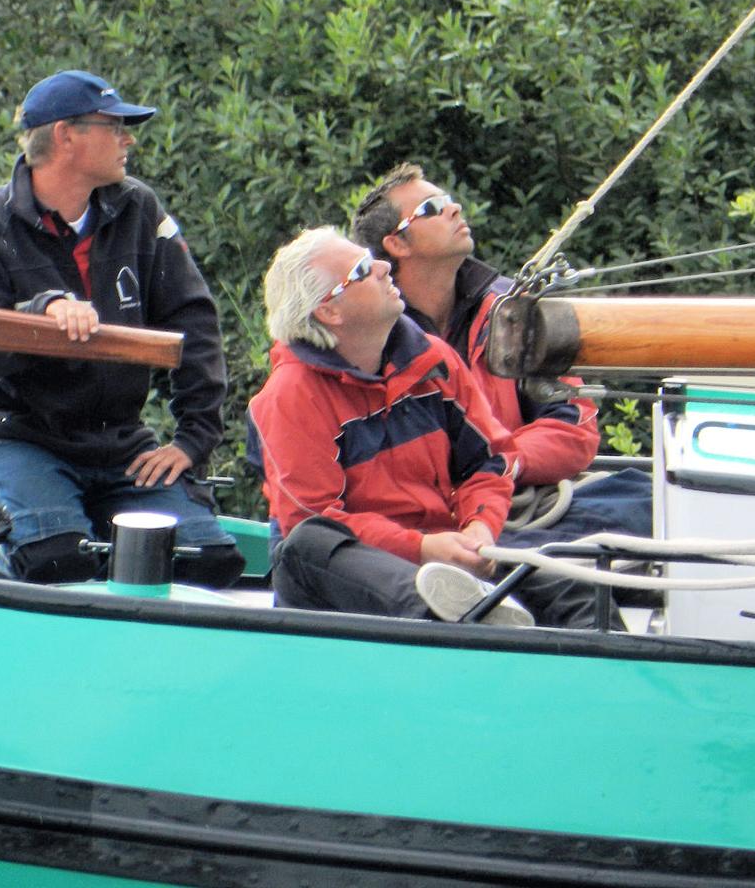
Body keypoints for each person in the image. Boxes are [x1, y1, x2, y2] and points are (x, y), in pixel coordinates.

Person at [0, 69, 243, 587]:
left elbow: (194, 321)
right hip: (23, 438)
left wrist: (193, 441)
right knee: (54, 560)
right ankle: (11, 534)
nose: (129, 140)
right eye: (115, 127)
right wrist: (40, 317)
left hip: (121, 443)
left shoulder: (139, 208)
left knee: (206, 563)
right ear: (65, 135)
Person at [247, 226, 601, 628]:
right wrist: (421, 548)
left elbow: (488, 460)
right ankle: (459, 617)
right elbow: (315, 517)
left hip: (443, 547)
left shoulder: (431, 359)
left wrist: (480, 527)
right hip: (354, 569)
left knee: (573, 588)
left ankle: (611, 666)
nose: (383, 267)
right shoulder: (290, 396)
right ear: (330, 312)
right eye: (362, 270)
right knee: (310, 541)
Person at [350, 162, 651, 543]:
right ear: (397, 244)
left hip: (521, 501)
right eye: (431, 208)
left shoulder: (511, 311)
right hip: (429, 525)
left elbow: (574, 427)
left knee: (648, 501)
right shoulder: (371, 338)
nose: (454, 209)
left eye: (448, 200)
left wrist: (500, 461)